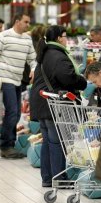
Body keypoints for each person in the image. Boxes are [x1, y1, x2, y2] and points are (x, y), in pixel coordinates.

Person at [30, 25, 87, 187]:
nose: (66, 39)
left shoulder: (47, 53)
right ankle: (59, 179)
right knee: (57, 142)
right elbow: (67, 77)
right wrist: (83, 82)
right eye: (64, 36)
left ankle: (48, 178)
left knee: (48, 141)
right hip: (53, 103)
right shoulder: (57, 55)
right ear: (58, 38)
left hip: (43, 101)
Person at [0, 12, 36, 159]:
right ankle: (6, 146)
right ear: (17, 21)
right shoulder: (2, 36)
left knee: (16, 112)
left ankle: (9, 143)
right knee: (12, 111)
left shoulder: (27, 40)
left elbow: (33, 59)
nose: (28, 25)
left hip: (17, 80)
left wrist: (34, 69)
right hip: (4, 79)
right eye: (26, 22)